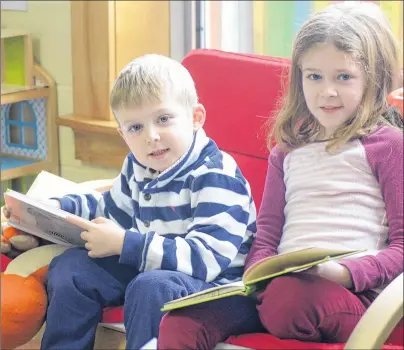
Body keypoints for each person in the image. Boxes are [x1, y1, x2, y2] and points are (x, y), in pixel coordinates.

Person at [158, 2, 403, 348]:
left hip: (352, 296)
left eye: (343, 77)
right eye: (313, 76)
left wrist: (345, 274)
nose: (326, 91)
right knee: (180, 322)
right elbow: (268, 236)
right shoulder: (287, 151)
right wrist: (258, 275)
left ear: (371, 79)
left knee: (287, 301)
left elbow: (402, 246)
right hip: (275, 291)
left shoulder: (388, 146)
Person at [4, 54, 257, 349]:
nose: (151, 137)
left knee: (150, 287)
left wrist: (127, 244)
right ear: (122, 134)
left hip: (217, 289)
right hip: (150, 267)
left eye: (163, 119)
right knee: (71, 268)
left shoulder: (216, 174)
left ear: (196, 118)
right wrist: (57, 209)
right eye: (135, 128)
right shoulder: (138, 167)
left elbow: (208, 259)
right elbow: (110, 209)